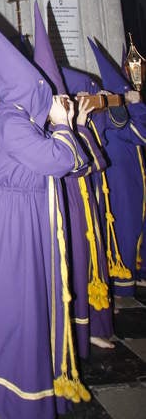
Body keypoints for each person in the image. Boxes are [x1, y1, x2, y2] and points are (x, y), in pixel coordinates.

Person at [0, 0, 89, 419]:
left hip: (23, 216)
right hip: (13, 221)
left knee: (24, 303)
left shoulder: (19, 119)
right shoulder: (12, 122)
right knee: (9, 303)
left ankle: (13, 382)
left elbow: (71, 164)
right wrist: (66, 124)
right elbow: (59, 159)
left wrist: (65, 126)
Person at [33, 1, 113, 355]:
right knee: (73, 264)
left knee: (91, 259)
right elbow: (70, 162)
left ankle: (94, 325)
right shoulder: (42, 127)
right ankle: (75, 335)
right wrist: (74, 127)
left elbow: (95, 162)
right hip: (61, 206)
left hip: (83, 201)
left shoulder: (73, 121)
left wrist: (80, 125)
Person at [88, 38, 146, 299]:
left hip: (132, 174)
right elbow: (139, 132)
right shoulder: (115, 114)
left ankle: (137, 270)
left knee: (135, 224)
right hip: (121, 179)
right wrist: (134, 104)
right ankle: (123, 282)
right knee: (125, 224)